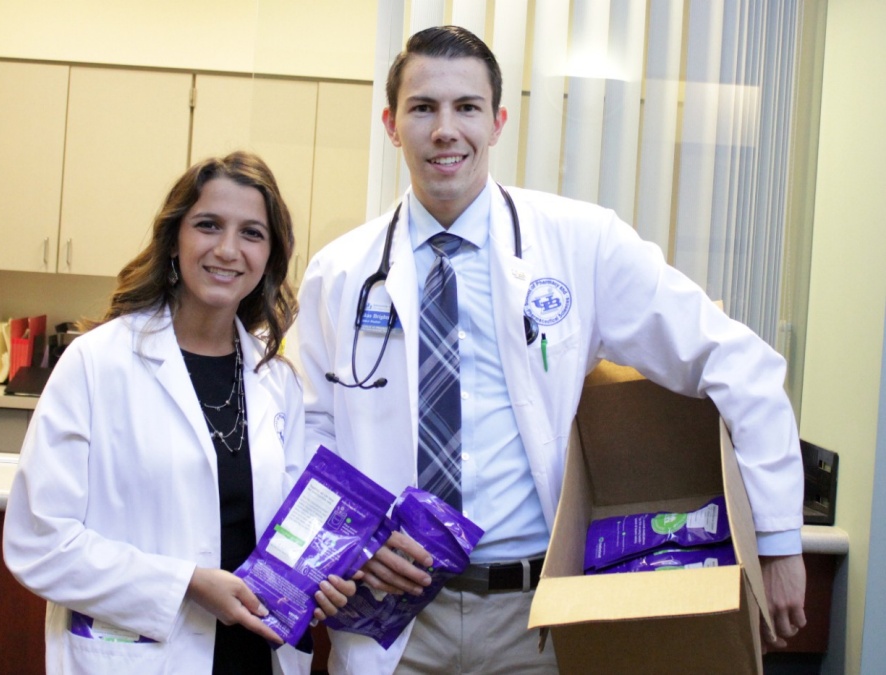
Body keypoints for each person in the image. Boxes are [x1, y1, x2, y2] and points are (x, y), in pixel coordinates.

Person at [292, 25, 807, 674]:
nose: (445, 129)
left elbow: (736, 361)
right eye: (423, 108)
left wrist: (781, 542)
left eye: (467, 108)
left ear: (499, 121)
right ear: (392, 124)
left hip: (531, 620)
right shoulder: (339, 273)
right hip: (390, 620)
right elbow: (309, 435)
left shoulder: (580, 243)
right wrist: (352, 539)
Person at [3, 151, 355, 674]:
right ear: (174, 239)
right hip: (143, 653)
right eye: (208, 225)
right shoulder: (97, 363)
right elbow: (40, 543)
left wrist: (323, 575)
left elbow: (288, 529)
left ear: (270, 257)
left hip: (256, 653)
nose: (228, 249)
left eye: (252, 233)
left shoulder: (276, 381)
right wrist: (185, 583)